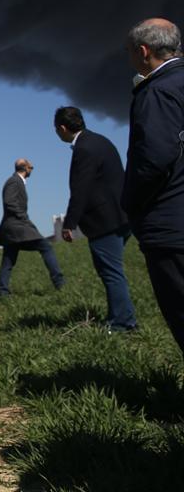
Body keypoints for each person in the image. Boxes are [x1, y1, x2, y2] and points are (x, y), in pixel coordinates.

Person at [122, 17, 184, 353]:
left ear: (144, 51)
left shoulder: (157, 91)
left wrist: (131, 204)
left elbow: (154, 159)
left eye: (130, 52)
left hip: (172, 226)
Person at [53, 106, 137, 333]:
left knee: (111, 272)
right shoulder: (101, 141)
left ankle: (123, 323)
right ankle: (118, 316)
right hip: (122, 216)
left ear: (62, 128)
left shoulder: (84, 148)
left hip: (105, 221)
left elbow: (81, 189)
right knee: (111, 270)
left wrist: (69, 223)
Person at [0, 158, 66, 298]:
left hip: (11, 229)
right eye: (31, 167)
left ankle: (2, 292)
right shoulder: (14, 181)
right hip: (17, 226)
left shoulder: (17, 181)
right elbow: (9, 202)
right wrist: (23, 217)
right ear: (25, 168)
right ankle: (60, 283)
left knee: (8, 260)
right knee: (46, 247)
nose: (32, 170)